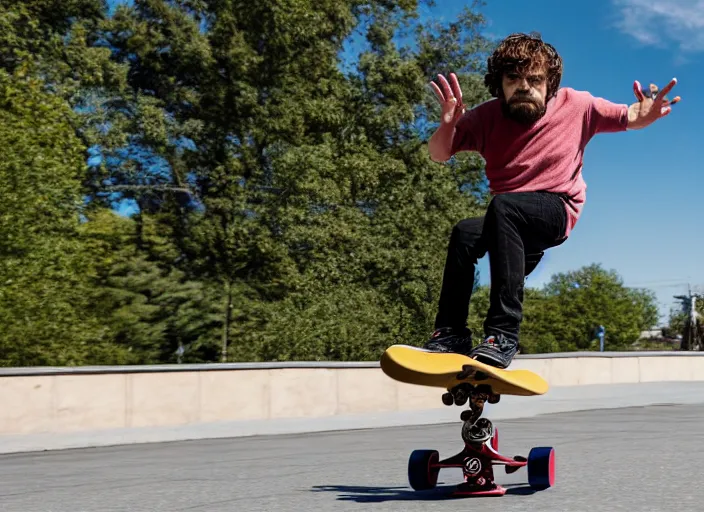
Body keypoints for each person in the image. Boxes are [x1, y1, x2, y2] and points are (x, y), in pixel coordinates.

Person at [423, 32, 679, 369]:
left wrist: (645, 113)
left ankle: (502, 335)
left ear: (550, 85)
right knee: (465, 234)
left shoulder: (579, 105)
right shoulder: (486, 118)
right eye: (513, 79)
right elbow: (439, 154)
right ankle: (451, 332)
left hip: (556, 209)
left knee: (504, 206)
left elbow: (628, 115)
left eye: (535, 79)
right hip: (510, 222)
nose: (524, 86)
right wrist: (447, 124)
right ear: (500, 84)